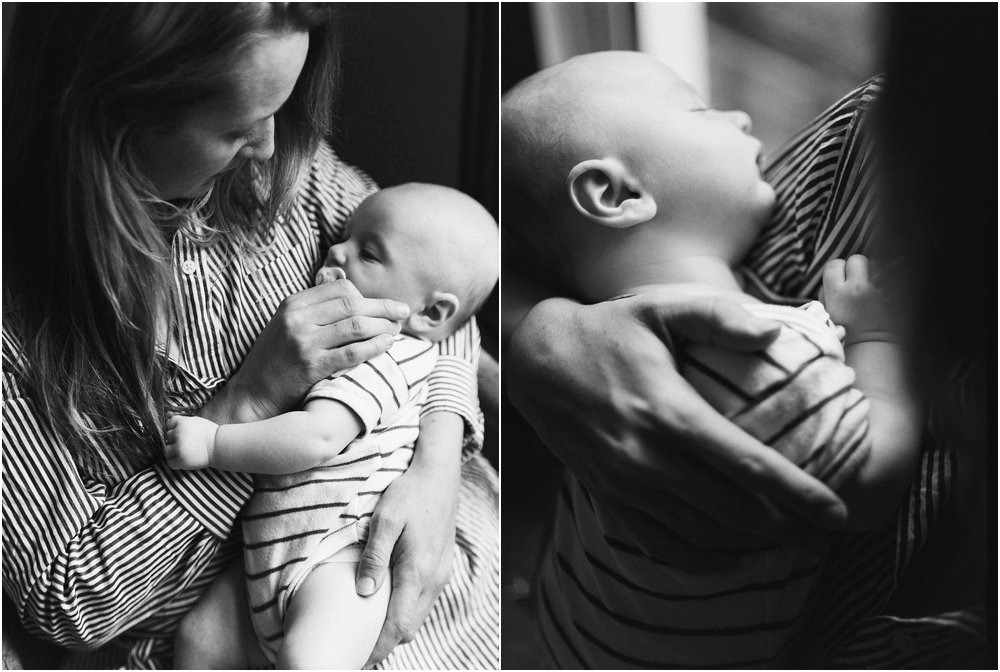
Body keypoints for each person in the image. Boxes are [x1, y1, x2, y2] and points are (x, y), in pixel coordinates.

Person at [2, 5, 498, 669]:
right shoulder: (20, 316)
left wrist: (437, 458)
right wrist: (249, 403)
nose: (269, 143)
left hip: (444, 576)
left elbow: (444, 277)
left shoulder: (287, 167)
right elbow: (72, 597)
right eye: (237, 126)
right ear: (113, 116)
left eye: (281, 107)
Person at [505, 50, 974, 667]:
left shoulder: (633, 341)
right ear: (615, 192)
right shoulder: (744, 346)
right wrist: (881, 341)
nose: (742, 118)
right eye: (701, 110)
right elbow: (870, 483)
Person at [167, 184, 499, 669]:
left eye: (367, 252)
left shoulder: (384, 356)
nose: (336, 249)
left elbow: (316, 438)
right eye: (346, 235)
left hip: (341, 560)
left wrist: (214, 441)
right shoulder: (372, 341)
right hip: (277, 554)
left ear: (430, 313)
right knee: (198, 638)